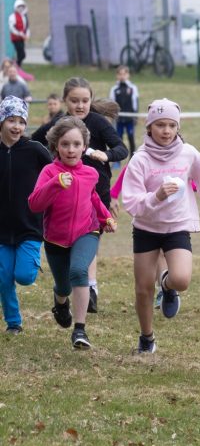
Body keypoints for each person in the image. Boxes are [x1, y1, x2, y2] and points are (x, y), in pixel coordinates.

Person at [120, 99, 200, 354]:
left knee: (181, 279)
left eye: (171, 125)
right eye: (160, 125)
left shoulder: (188, 153)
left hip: (177, 226)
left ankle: (167, 288)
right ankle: (147, 337)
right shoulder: (140, 159)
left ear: (178, 127)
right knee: (143, 289)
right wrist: (156, 196)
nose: (166, 131)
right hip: (146, 229)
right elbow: (131, 202)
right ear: (149, 128)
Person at [31, 78, 128, 314]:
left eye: (85, 100)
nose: (80, 105)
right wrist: (47, 168)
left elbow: (122, 149)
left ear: (91, 100)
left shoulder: (98, 122)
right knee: (71, 245)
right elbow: (33, 142)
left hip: (96, 191)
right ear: (65, 101)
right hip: (63, 194)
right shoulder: (59, 124)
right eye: (74, 101)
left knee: (89, 238)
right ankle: (70, 287)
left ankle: (90, 287)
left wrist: (106, 155)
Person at [28, 116, 117, 349]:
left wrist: (105, 217)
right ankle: (60, 303)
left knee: (79, 271)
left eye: (76, 144)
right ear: (56, 146)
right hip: (55, 239)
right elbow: (35, 204)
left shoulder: (90, 173)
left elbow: (93, 198)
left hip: (87, 231)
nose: (71, 149)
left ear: (84, 146)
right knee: (63, 287)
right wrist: (55, 183)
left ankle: (80, 330)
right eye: (65, 144)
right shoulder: (49, 172)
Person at [0, 97, 52, 334]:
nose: (17, 126)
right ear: (2, 121)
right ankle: (14, 322)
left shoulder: (34, 149)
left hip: (30, 225)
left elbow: (54, 172)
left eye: (21, 121)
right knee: (3, 278)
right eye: (11, 120)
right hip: (1, 229)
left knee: (24, 276)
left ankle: (31, 262)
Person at [110, 66, 139, 153]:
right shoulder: (114, 89)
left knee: (131, 137)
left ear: (128, 75)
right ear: (117, 75)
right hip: (118, 119)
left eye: (124, 74)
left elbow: (135, 103)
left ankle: (133, 156)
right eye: (120, 74)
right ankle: (118, 157)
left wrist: (135, 116)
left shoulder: (133, 88)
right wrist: (112, 116)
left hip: (130, 118)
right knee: (118, 138)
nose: (122, 76)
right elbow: (112, 103)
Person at [8, 0, 29, 68]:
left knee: (22, 55)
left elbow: (26, 26)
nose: (21, 8)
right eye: (19, 7)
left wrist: (26, 34)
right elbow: (12, 28)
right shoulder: (12, 16)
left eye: (22, 6)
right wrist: (19, 33)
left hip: (22, 38)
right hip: (15, 38)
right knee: (22, 54)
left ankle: (17, 66)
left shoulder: (24, 16)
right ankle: (16, 66)